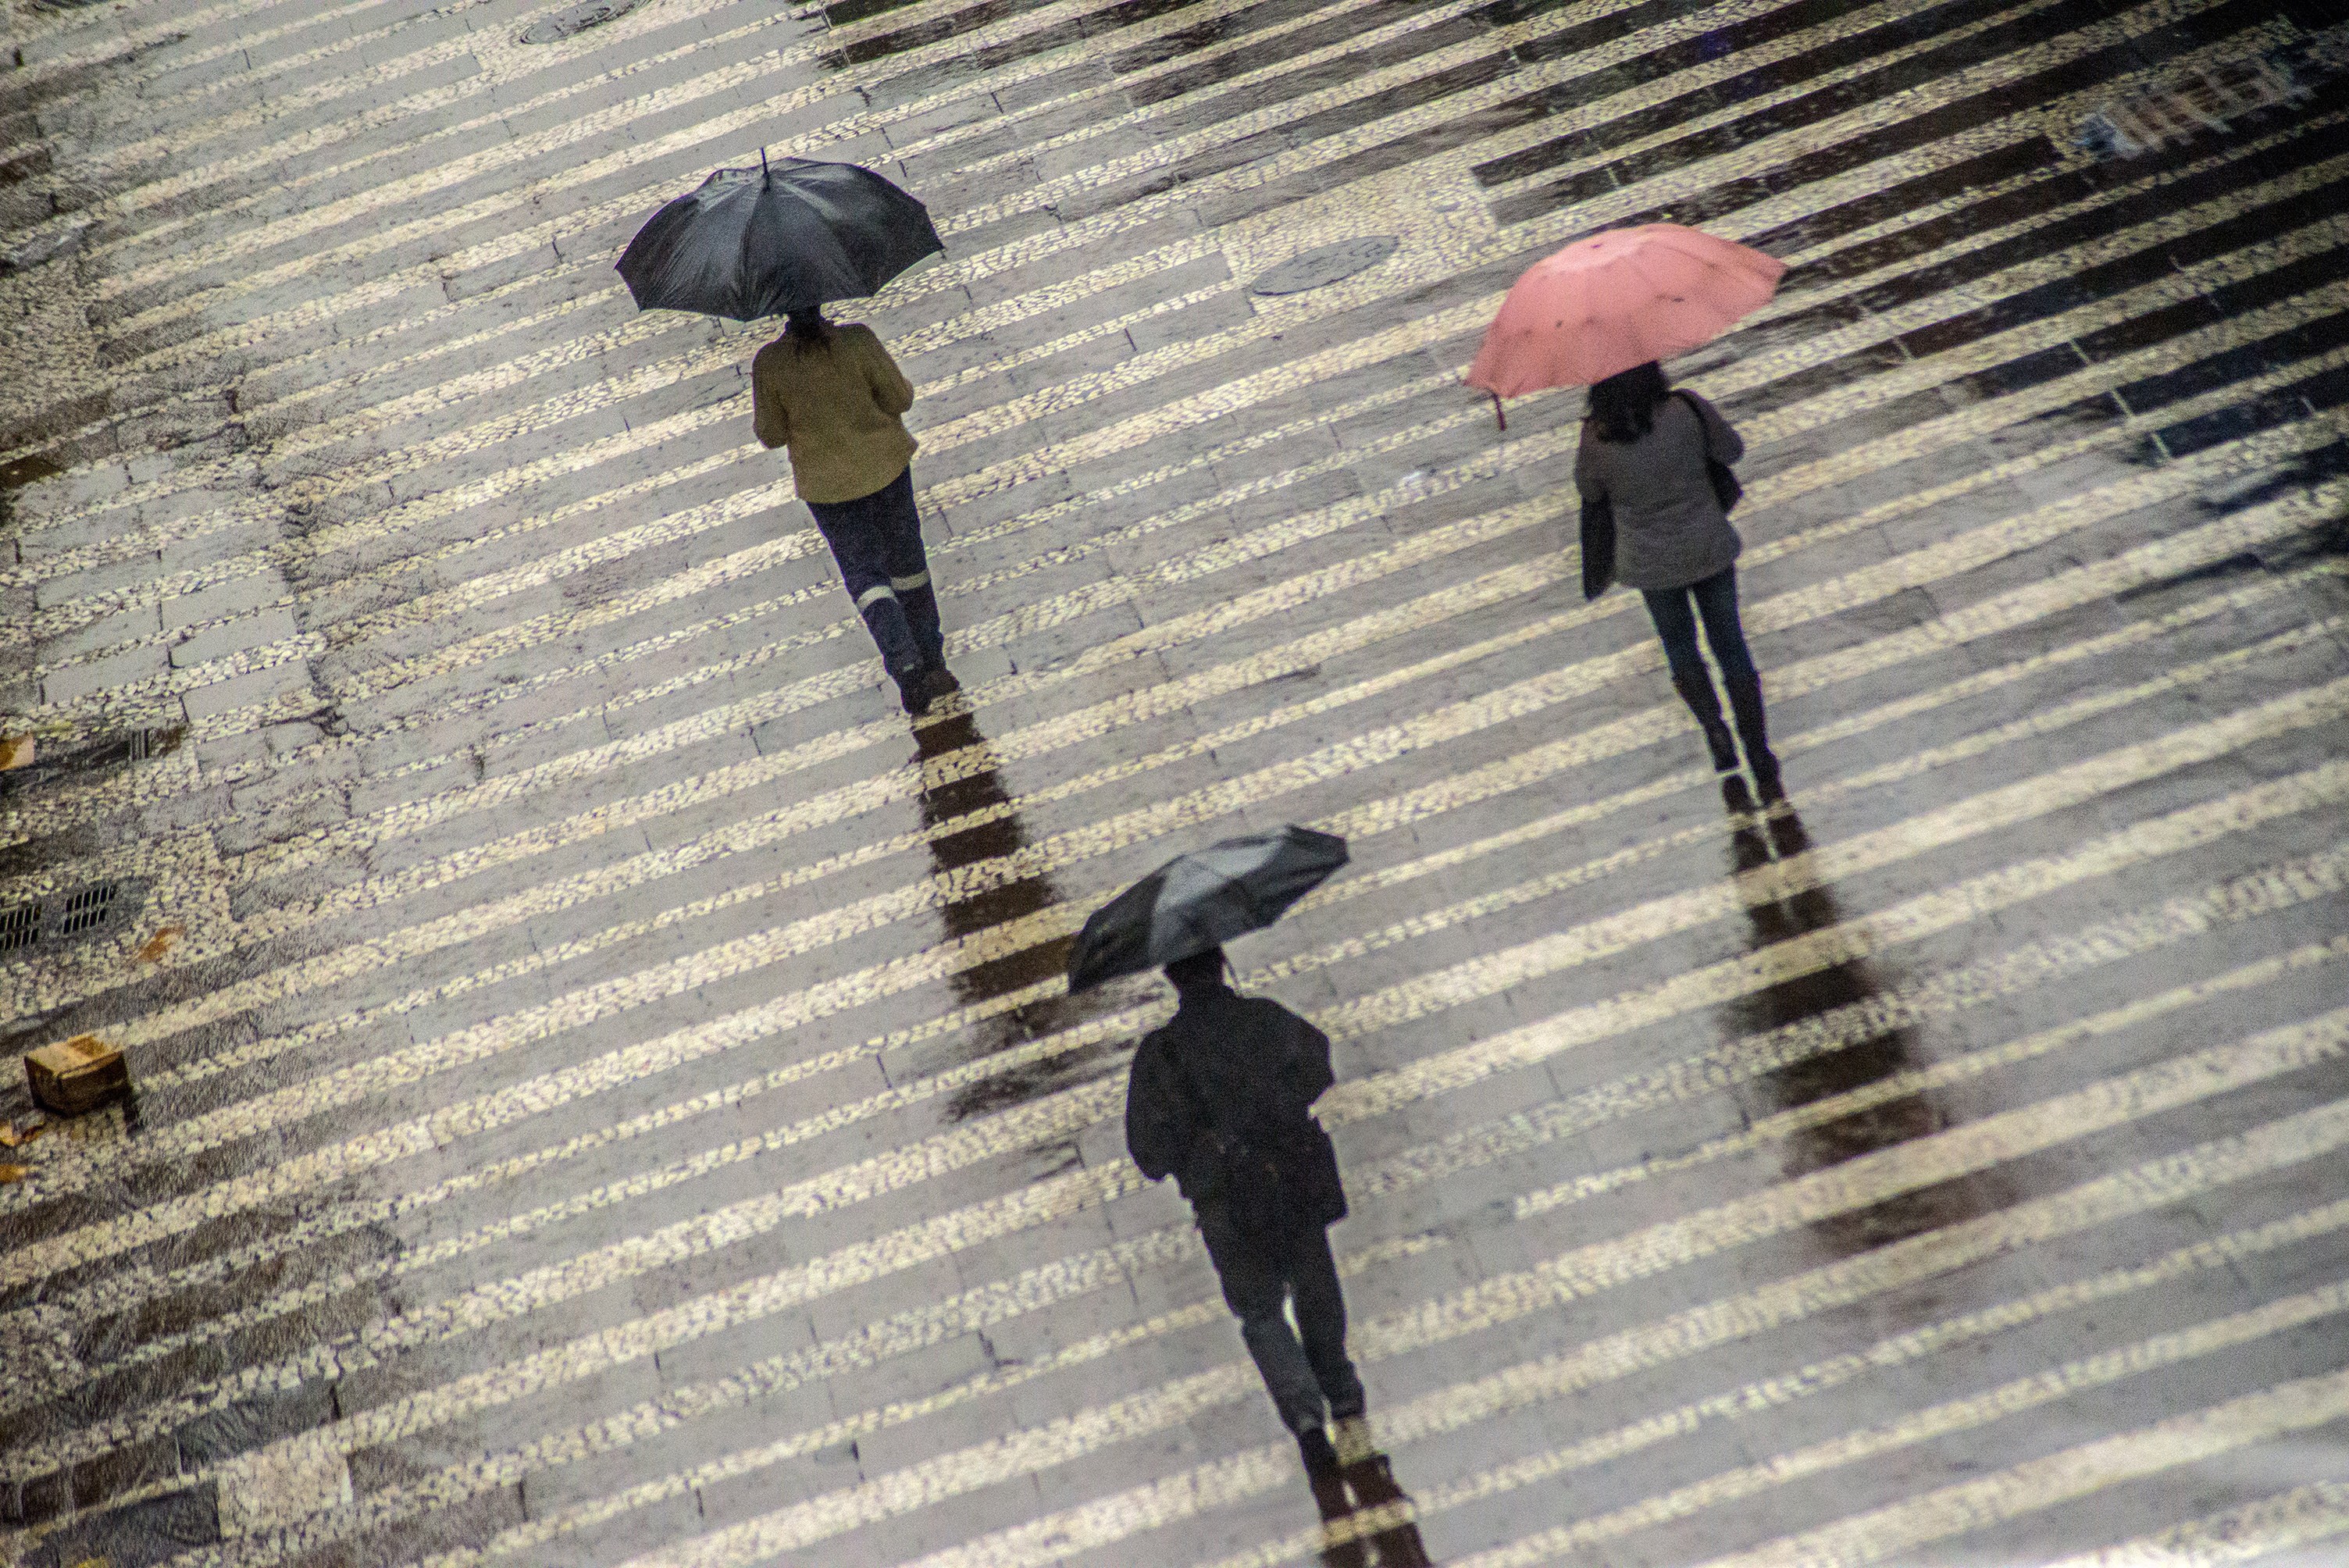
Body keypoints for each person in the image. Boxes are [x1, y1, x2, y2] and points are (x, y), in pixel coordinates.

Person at [1125, 946, 1364, 1479]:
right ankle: (1341, 1389)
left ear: (1171, 978)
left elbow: (1149, 1153)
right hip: (1292, 1180)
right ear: (1222, 963)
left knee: (1259, 1313)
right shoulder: (1263, 1018)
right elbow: (1318, 1065)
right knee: (1315, 1284)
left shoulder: (1161, 1056)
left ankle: (1305, 1421)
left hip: (1225, 1204)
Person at [1574, 360, 1784, 805]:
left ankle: (1715, 732)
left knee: (1680, 647)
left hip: (1651, 564)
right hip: (1707, 547)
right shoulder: (1687, 408)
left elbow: (1589, 492)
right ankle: (1757, 747)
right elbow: (1732, 450)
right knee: (1730, 643)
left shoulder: (1596, 436)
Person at [752, 304, 957, 715]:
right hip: (887, 469)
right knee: (908, 563)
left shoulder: (769, 364)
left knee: (865, 577)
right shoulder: (858, 340)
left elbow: (771, 434)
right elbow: (900, 398)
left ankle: (904, 660)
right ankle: (933, 660)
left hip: (828, 490)